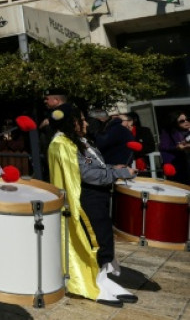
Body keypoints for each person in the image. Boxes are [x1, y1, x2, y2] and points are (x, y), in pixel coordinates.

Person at [46, 103, 137, 307]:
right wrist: (120, 173)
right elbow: (87, 175)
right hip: (87, 198)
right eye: (81, 119)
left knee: (105, 238)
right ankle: (94, 283)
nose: (86, 123)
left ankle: (104, 279)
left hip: (98, 197)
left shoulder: (78, 141)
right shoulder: (62, 144)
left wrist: (113, 168)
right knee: (96, 241)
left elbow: (95, 166)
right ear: (71, 122)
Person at [159, 111, 190, 185]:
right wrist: (176, 147)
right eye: (182, 121)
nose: (186, 122)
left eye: (188, 119)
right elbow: (163, 147)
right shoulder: (168, 132)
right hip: (178, 165)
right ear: (175, 122)